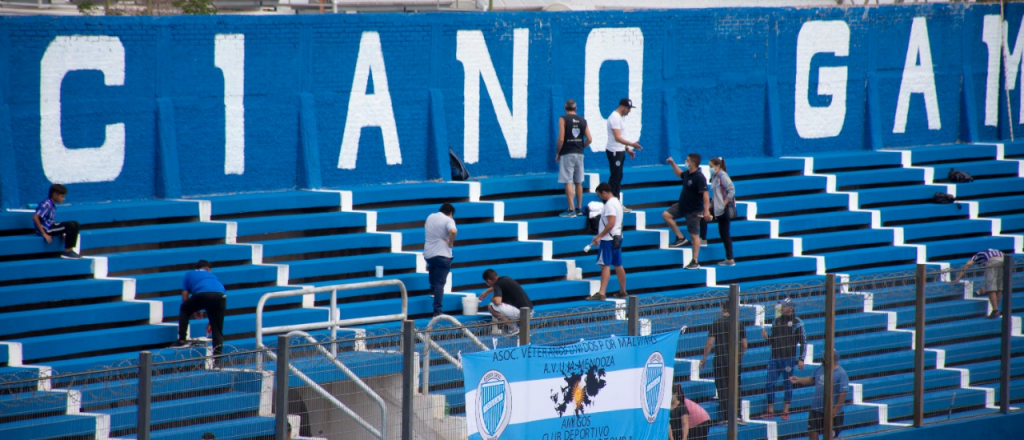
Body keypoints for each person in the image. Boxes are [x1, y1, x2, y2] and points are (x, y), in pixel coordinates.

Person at [699, 299, 747, 425]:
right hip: (734, 360)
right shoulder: (738, 324)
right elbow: (745, 345)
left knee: (722, 387)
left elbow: (709, 343)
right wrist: (739, 356)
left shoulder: (717, 323)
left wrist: (703, 358)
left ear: (722, 309)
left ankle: (726, 417)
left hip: (720, 359)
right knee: (735, 387)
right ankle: (737, 415)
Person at [663, 154, 712, 269]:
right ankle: (680, 238)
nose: (686, 161)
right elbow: (679, 173)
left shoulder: (699, 177)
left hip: (694, 210)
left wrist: (706, 210)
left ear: (693, 163)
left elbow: (705, 194)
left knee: (694, 235)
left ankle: (695, 261)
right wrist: (672, 163)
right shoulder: (687, 174)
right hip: (682, 206)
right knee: (666, 215)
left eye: (687, 160)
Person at [761, 298, 807, 420]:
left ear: (791, 308)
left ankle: (785, 411)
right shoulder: (776, 321)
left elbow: (803, 342)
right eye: (782, 306)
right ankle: (770, 410)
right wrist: (767, 337)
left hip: (788, 359)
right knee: (769, 383)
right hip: (774, 358)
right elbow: (773, 340)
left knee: (787, 383)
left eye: (784, 306)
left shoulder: (797, 323)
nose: (782, 308)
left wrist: (801, 359)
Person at [172, 260, 227, 359]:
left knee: (184, 309)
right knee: (217, 331)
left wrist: (193, 309)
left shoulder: (189, 274)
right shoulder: (213, 276)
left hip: (202, 294)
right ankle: (218, 361)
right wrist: (212, 321)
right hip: (220, 296)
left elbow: (185, 297)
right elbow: (214, 297)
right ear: (208, 269)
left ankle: (182, 340)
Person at [790, 350, 848, 440]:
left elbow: (843, 393)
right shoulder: (821, 368)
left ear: (832, 359)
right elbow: (811, 379)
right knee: (812, 433)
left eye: (825, 355)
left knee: (829, 436)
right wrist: (798, 380)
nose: (823, 357)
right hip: (816, 409)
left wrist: (835, 410)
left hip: (832, 411)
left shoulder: (841, 373)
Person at [587, 183, 627, 301]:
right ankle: (623, 291)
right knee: (618, 265)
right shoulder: (617, 202)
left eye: (599, 195)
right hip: (617, 237)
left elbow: (611, 223)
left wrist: (599, 236)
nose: (600, 197)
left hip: (608, 239)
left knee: (605, 265)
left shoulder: (609, 204)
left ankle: (602, 293)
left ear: (604, 193)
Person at [605, 98, 643, 212]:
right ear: (622, 106)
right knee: (615, 177)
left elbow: (621, 136)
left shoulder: (620, 117)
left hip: (619, 151)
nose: (629, 111)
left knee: (618, 176)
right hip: (614, 152)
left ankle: (615, 202)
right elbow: (617, 137)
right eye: (628, 108)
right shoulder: (615, 117)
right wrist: (632, 144)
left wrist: (627, 148)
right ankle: (611, 203)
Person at [556, 99, 592, 218]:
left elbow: (561, 139)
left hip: (567, 153)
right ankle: (579, 208)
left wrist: (558, 152)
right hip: (579, 153)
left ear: (565, 108)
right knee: (578, 182)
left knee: (568, 181)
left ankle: (571, 209)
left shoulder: (563, 119)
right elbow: (589, 139)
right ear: (576, 108)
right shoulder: (582, 120)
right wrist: (581, 146)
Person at [424, 203, 457, 317]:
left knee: (432, 269)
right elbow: (453, 231)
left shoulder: (430, 216)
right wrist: (450, 242)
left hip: (429, 254)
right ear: (451, 213)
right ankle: (437, 310)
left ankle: (432, 290)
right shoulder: (449, 220)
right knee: (440, 283)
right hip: (443, 255)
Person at [952, 248, 1005, 319]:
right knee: (999, 287)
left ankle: (995, 311)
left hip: (992, 261)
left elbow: (968, 264)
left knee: (991, 287)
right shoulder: (994, 251)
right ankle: (995, 310)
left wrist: (958, 278)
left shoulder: (976, 256)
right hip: (1004, 259)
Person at [32, 183, 81, 259]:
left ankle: (70, 249)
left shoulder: (52, 205)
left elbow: (50, 220)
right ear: (54, 195)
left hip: (51, 226)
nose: (63, 199)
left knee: (76, 224)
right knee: (70, 226)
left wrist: (60, 231)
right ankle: (67, 251)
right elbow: (35, 217)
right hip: (47, 229)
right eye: (62, 196)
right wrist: (44, 233)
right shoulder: (46, 204)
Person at [708, 157, 736, 266]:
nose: (710, 168)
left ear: (718, 166)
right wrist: (711, 205)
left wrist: (724, 202)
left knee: (724, 233)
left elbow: (731, 190)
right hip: (717, 207)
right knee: (722, 232)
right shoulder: (715, 177)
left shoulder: (723, 176)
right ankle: (702, 238)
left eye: (711, 166)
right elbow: (716, 194)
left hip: (723, 209)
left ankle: (729, 258)